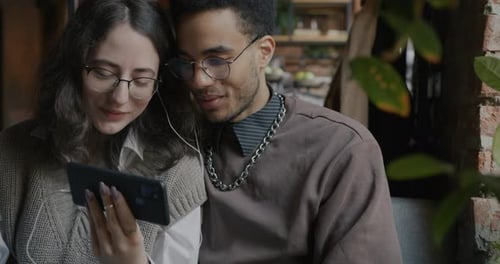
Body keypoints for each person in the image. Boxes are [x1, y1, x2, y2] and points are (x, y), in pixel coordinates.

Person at [166, 1, 402, 263]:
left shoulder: (341, 150)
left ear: (264, 52)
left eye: (217, 60)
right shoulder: (175, 138)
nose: (199, 80)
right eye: (186, 63)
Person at [0, 0, 206, 263]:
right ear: (74, 65)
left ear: (159, 84)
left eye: (142, 80)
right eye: (103, 73)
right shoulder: (12, 149)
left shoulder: (179, 172)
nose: (120, 97)